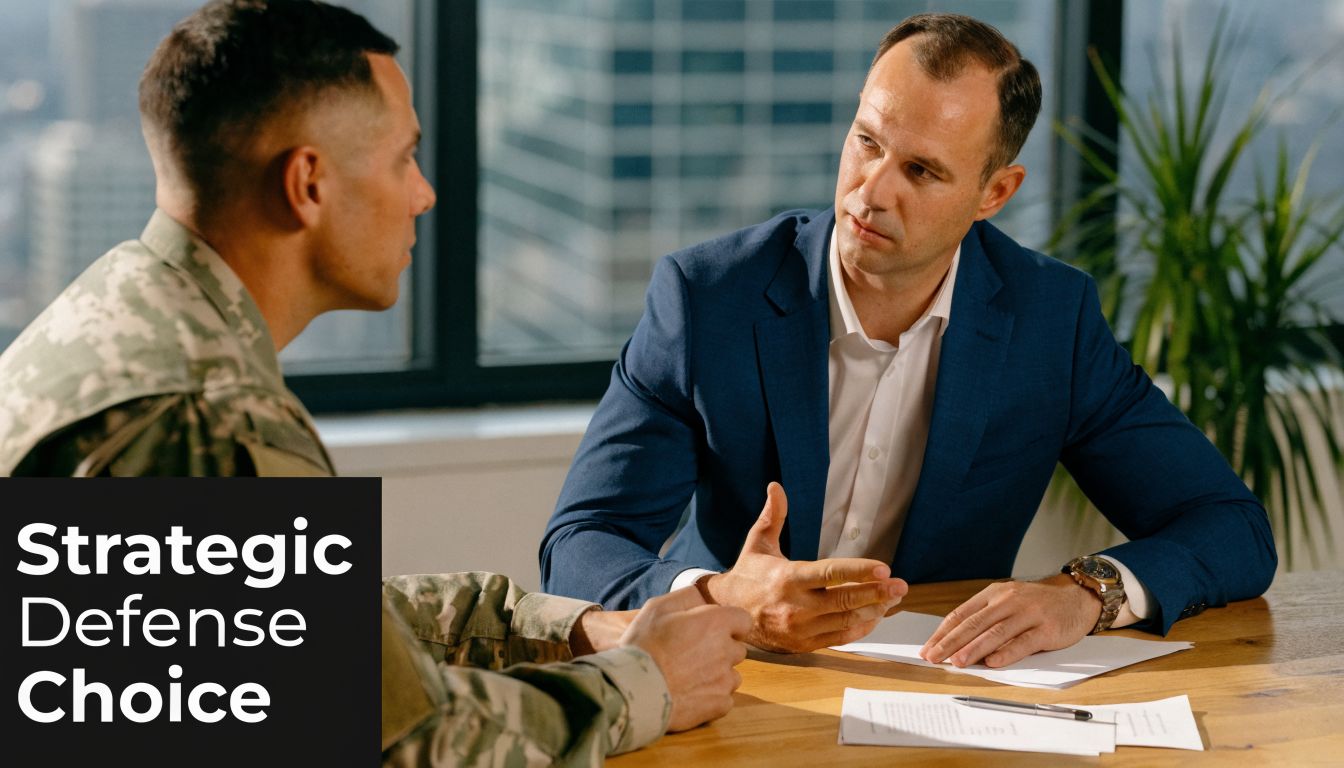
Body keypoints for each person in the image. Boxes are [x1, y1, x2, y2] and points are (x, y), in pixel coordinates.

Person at [0, 0, 751, 762]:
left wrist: (570, 628)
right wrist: (645, 683)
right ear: (308, 184)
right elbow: (402, 741)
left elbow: (304, 626)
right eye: (403, 159)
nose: (424, 193)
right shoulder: (206, 416)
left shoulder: (120, 307)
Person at [541, 13, 1277, 665]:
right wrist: (718, 593)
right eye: (866, 142)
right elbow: (580, 540)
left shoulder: (1052, 322)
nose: (871, 191)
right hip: (733, 678)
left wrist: (1085, 593)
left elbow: (1232, 527)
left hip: (942, 697)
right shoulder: (708, 300)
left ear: (995, 193)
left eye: (921, 170)